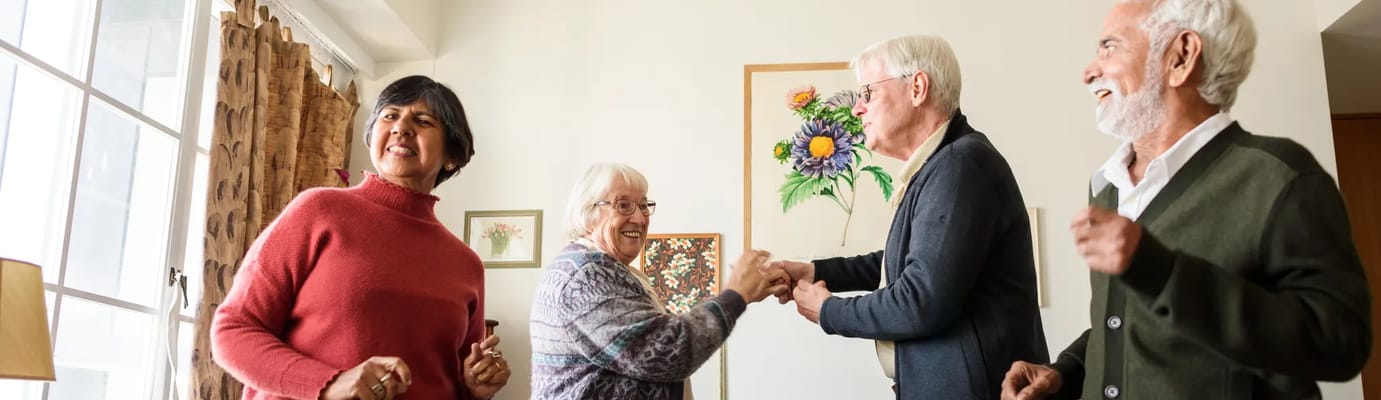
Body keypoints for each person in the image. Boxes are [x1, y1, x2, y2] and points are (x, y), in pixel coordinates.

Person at [1001, 1, 1371, 399]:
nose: (1089, 71)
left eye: (1110, 47)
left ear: (1181, 56)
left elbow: (1339, 342)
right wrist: (1066, 373)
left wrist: (1161, 270)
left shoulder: (1280, 176)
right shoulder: (1106, 188)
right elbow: (1129, 323)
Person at [770, 35, 1048, 399]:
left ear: (917, 88)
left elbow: (921, 299)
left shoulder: (960, 165)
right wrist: (816, 273)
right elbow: (905, 265)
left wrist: (828, 311)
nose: (857, 108)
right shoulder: (942, 165)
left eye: (867, 93)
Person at [212, 75, 510, 399]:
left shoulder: (465, 265)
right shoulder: (318, 210)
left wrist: (474, 389)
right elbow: (233, 332)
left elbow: (451, 381)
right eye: (390, 115)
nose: (402, 127)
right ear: (372, 137)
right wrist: (328, 383)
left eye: (423, 120)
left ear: (452, 154)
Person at [529, 163, 791, 399]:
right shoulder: (587, 275)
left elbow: (657, 335)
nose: (641, 218)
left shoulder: (600, 268)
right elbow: (666, 351)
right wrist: (736, 295)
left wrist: (746, 290)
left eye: (643, 205)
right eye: (623, 205)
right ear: (588, 214)